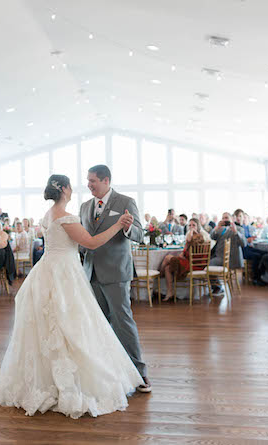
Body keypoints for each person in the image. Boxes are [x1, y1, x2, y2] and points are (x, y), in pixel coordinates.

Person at [0, 174, 143, 418]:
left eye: (92, 180)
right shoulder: (66, 216)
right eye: (74, 184)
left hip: (51, 270)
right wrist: (116, 225)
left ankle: (48, 376)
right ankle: (71, 380)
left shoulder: (49, 215)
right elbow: (90, 243)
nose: (83, 186)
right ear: (65, 189)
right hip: (65, 273)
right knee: (72, 322)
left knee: (57, 324)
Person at [79, 164, 150, 393]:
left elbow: (139, 234)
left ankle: (139, 373)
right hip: (91, 273)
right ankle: (108, 371)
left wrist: (129, 229)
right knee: (99, 324)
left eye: (93, 181)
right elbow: (85, 239)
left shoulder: (125, 202)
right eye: (88, 181)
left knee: (123, 322)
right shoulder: (84, 207)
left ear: (106, 180)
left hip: (117, 272)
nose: (89, 185)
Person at [160, 217, 210, 301]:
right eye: (190, 225)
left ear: (198, 226)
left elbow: (193, 253)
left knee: (168, 257)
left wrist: (189, 237)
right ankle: (170, 293)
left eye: (193, 225)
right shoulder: (191, 236)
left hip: (195, 264)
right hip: (189, 262)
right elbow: (185, 253)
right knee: (167, 268)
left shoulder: (200, 236)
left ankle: (159, 275)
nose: (191, 227)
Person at [209, 212, 246, 295]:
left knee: (210, 265)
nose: (225, 220)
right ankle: (216, 286)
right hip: (218, 256)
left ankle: (218, 287)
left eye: (226, 218)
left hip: (231, 258)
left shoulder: (239, 229)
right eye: (223, 218)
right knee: (206, 262)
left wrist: (236, 232)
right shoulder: (221, 229)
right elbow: (211, 237)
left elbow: (244, 243)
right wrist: (216, 228)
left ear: (231, 219)